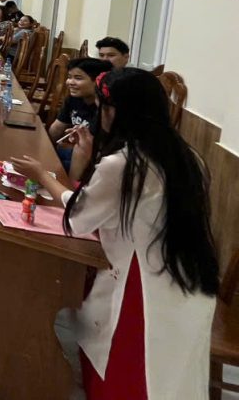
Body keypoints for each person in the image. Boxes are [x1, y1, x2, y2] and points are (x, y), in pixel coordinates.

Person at [11, 69, 218, 399]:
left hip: (143, 287)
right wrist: (89, 155)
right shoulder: (189, 157)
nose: (100, 117)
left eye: (104, 109)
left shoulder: (126, 163)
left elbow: (78, 218)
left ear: (119, 113)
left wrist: (43, 175)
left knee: (131, 376)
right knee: (172, 378)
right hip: (188, 279)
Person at [48, 58, 113, 171]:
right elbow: (57, 128)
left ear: (98, 81)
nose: (70, 82)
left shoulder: (105, 109)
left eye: (78, 78)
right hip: (77, 151)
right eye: (69, 77)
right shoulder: (73, 99)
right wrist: (47, 148)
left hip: (95, 161)